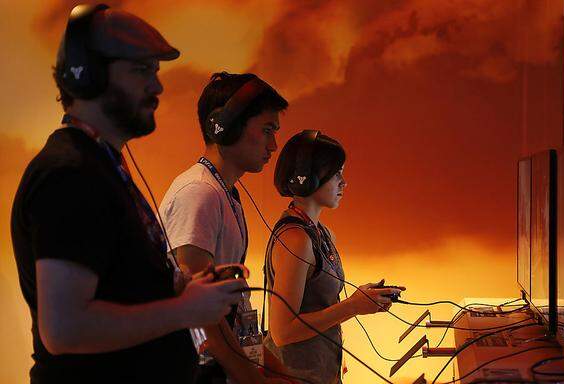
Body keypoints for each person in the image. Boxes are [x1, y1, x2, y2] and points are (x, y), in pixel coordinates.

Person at [10, 5, 245, 384]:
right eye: (141, 71)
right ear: (88, 75)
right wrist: (184, 310)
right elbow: (65, 329)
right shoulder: (69, 174)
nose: (157, 87)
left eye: (155, 71)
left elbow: (116, 289)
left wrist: (179, 290)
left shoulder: (100, 166)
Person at [158, 72, 290, 384]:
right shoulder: (198, 194)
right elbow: (202, 320)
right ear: (226, 126)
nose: (274, 144)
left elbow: (233, 319)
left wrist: (280, 374)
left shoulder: (224, 194)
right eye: (267, 130)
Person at [264, 130, 404, 384]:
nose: (344, 182)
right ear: (308, 178)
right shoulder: (296, 240)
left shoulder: (322, 234)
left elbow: (322, 306)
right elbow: (282, 332)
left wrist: (362, 298)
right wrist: (353, 306)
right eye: (336, 173)